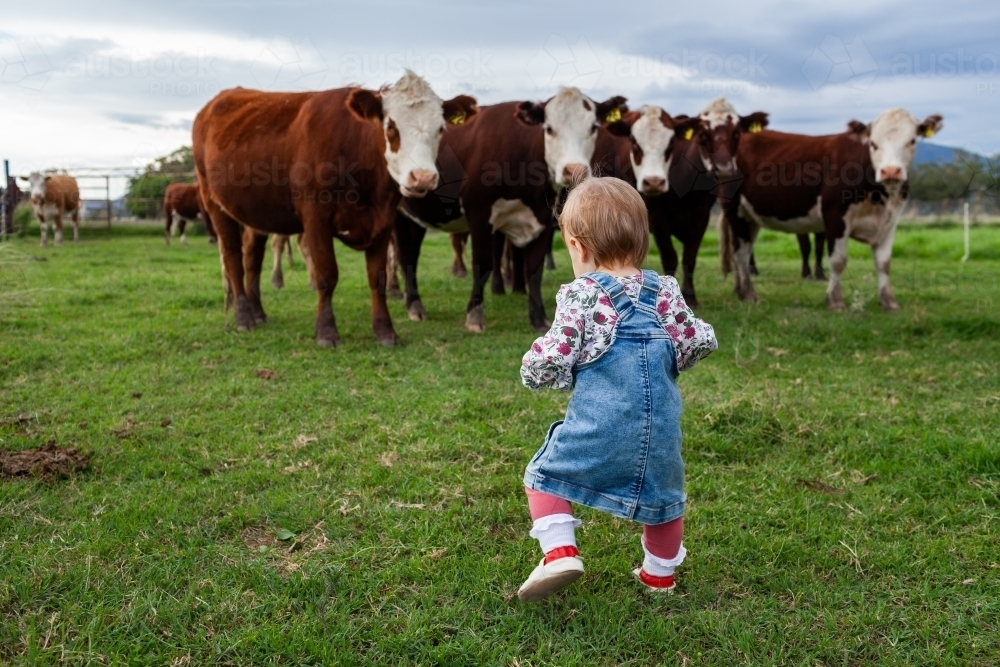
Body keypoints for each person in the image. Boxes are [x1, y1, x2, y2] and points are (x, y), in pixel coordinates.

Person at [517, 175, 717, 601]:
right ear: (642, 239)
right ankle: (659, 577)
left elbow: (554, 356)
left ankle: (560, 554)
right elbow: (698, 340)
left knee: (543, 476)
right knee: (665, 501)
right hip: (662, 431)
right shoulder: (666, 291)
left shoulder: (581, 294)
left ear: (578, 246)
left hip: (598, 427)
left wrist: (535, 368)